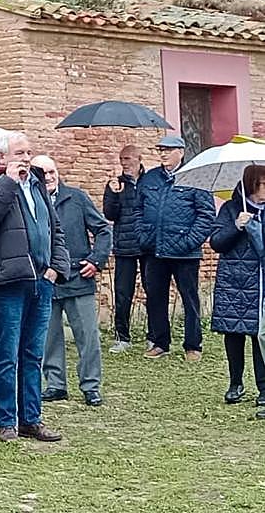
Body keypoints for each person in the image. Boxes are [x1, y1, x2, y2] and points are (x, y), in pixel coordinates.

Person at [0, 131, 69, 443]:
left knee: (33, 354)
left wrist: (56, 268)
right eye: (19, 153)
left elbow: (54, 229)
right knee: (8, 355)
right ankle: (6, 421)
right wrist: (7, 182)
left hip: (41, 281)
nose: (25, 158)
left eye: (28, 152)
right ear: (1, 158)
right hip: (6, 282)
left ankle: (31, 419)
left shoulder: (36, 184)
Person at [33, 156, 111, 407]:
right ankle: (55, 384)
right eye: (43, 172)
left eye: (52, 171)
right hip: (45, 278)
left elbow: (103, 229)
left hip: (78, 276)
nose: (49, 176)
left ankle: (91, 385)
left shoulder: (76, 198)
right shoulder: (30, 201)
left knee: (88, 336)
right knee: (49, 337)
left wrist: (96, 260)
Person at [139, 135, 215, 360]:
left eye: (168, 150)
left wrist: (189, 242)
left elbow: (206, 216)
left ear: (180, 152)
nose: (163, 154)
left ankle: (193, 345)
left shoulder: (195, 177)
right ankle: (160, 342)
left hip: (185, 252)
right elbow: (137, 209)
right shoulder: (150, 178)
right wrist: (144, 236)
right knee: (155, 297)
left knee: (189, 298)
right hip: (155, 249)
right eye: (160, 150)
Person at [210, 165, 265, 407]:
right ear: (252, 184)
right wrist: (237, 225)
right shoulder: (232, 208)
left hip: (260, 281)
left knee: (259, 335)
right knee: (233, 334)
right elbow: (217, 242)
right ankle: (235, 383)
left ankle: (263, 389)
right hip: (234, 282)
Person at [104, 144, 145, 353]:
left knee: (154, 291)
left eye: (128, 159)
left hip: (147, 245)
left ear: (139, 158)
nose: (124, 163)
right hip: (124, 245)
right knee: (122, 293)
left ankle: (154, 338)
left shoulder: (149, 181)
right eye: (121, 159)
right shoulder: (115, 184)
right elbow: (109, 214)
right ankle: (122, 337)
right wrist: (113, 194)